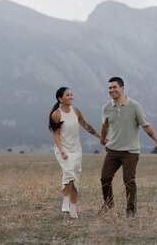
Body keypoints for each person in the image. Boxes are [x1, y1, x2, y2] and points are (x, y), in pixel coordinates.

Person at [99, 77, 157, 217]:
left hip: (130, 152)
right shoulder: (107, 107)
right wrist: (102, 138)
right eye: (109, 88)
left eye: (114, 87)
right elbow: (105, 125)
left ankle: (131, 210)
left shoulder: (135, 106)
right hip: (113, 150)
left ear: (122, 88)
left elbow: (146, 126)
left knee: (128, 180)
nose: (111, 90)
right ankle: (109, 204)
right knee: (105, 178)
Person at [49, 87, 101, 218]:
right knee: (69, 173)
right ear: (60, 99)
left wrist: (100, 137)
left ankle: (73, 209)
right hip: (63, 150)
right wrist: (62, 151)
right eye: (67, 95)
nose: (71, 97)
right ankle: (65, 201)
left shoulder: (76, 111)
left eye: (71, 95)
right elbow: (56, 135)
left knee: (75, 179)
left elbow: (86, 125)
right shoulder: (56, 114)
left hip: (76, 150)